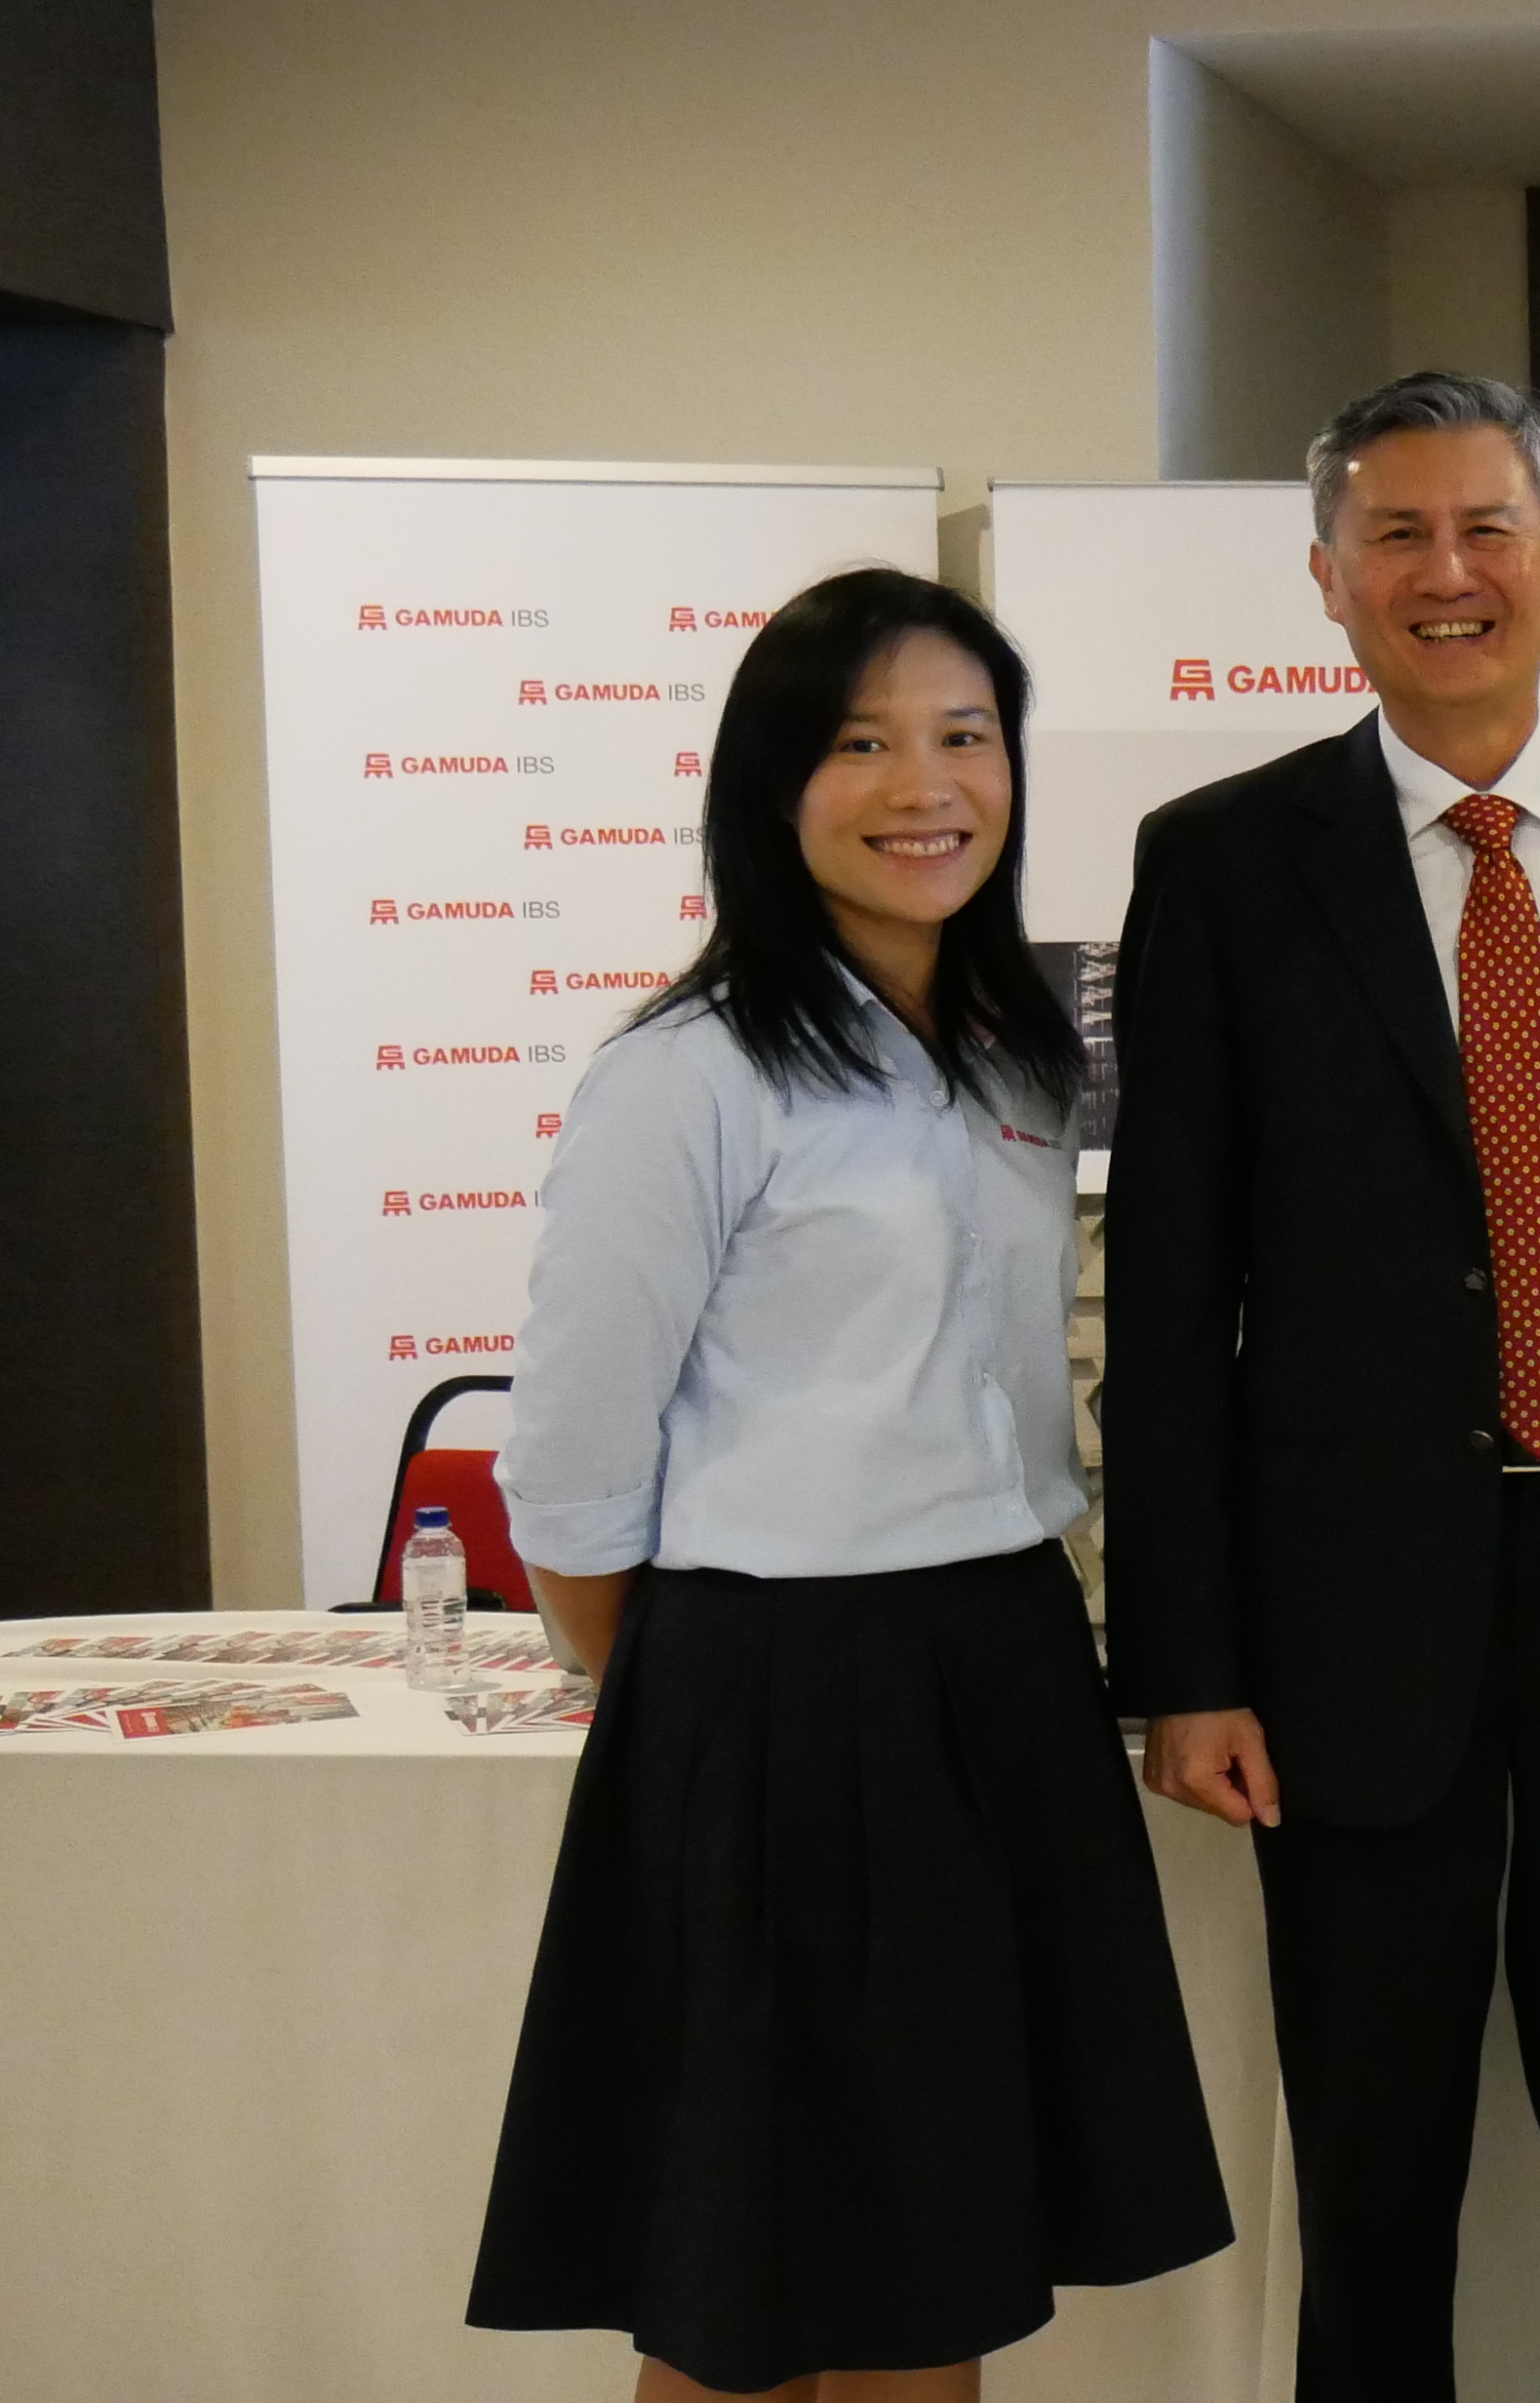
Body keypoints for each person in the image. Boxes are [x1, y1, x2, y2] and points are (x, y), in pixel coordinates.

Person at [1102, 371, 1540, 2399]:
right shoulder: (1227, 863)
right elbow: (1169, 1289)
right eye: (1398, 534)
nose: (1449, 572)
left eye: (1489, 528)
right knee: (1374, 2180)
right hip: (1345, 1603)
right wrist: (1182, 1661)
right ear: (1327, 576)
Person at [469, 568, 1234, 2401]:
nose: (926, 785)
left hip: (1001, 1661)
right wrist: (693, 1696)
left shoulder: (1014, 1046)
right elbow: (570, 1454)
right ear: (773, 783)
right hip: (774, 1680)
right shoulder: (692, 1073)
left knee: (938, 2259)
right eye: (864, 743)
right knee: (744, 2283)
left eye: (965, 736)